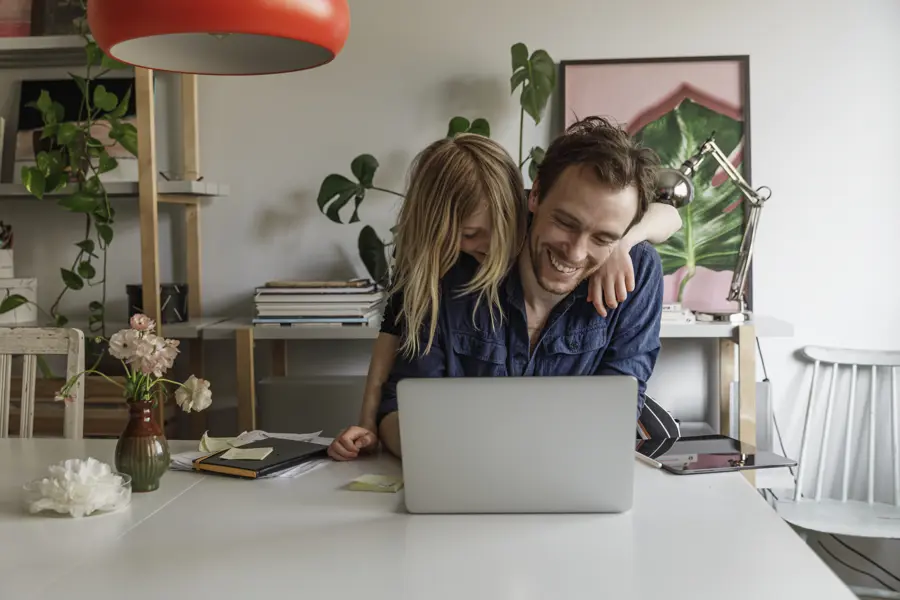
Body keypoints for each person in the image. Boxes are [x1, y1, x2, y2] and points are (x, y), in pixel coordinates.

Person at [327, 123, 680, 460]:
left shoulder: (632, 261)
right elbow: (396, 354)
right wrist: (370, 424)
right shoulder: (443, 269)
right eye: (566, 223)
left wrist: (624, 241)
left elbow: (617, 408)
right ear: (535, 196)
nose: (574, 252)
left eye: (603, 236)